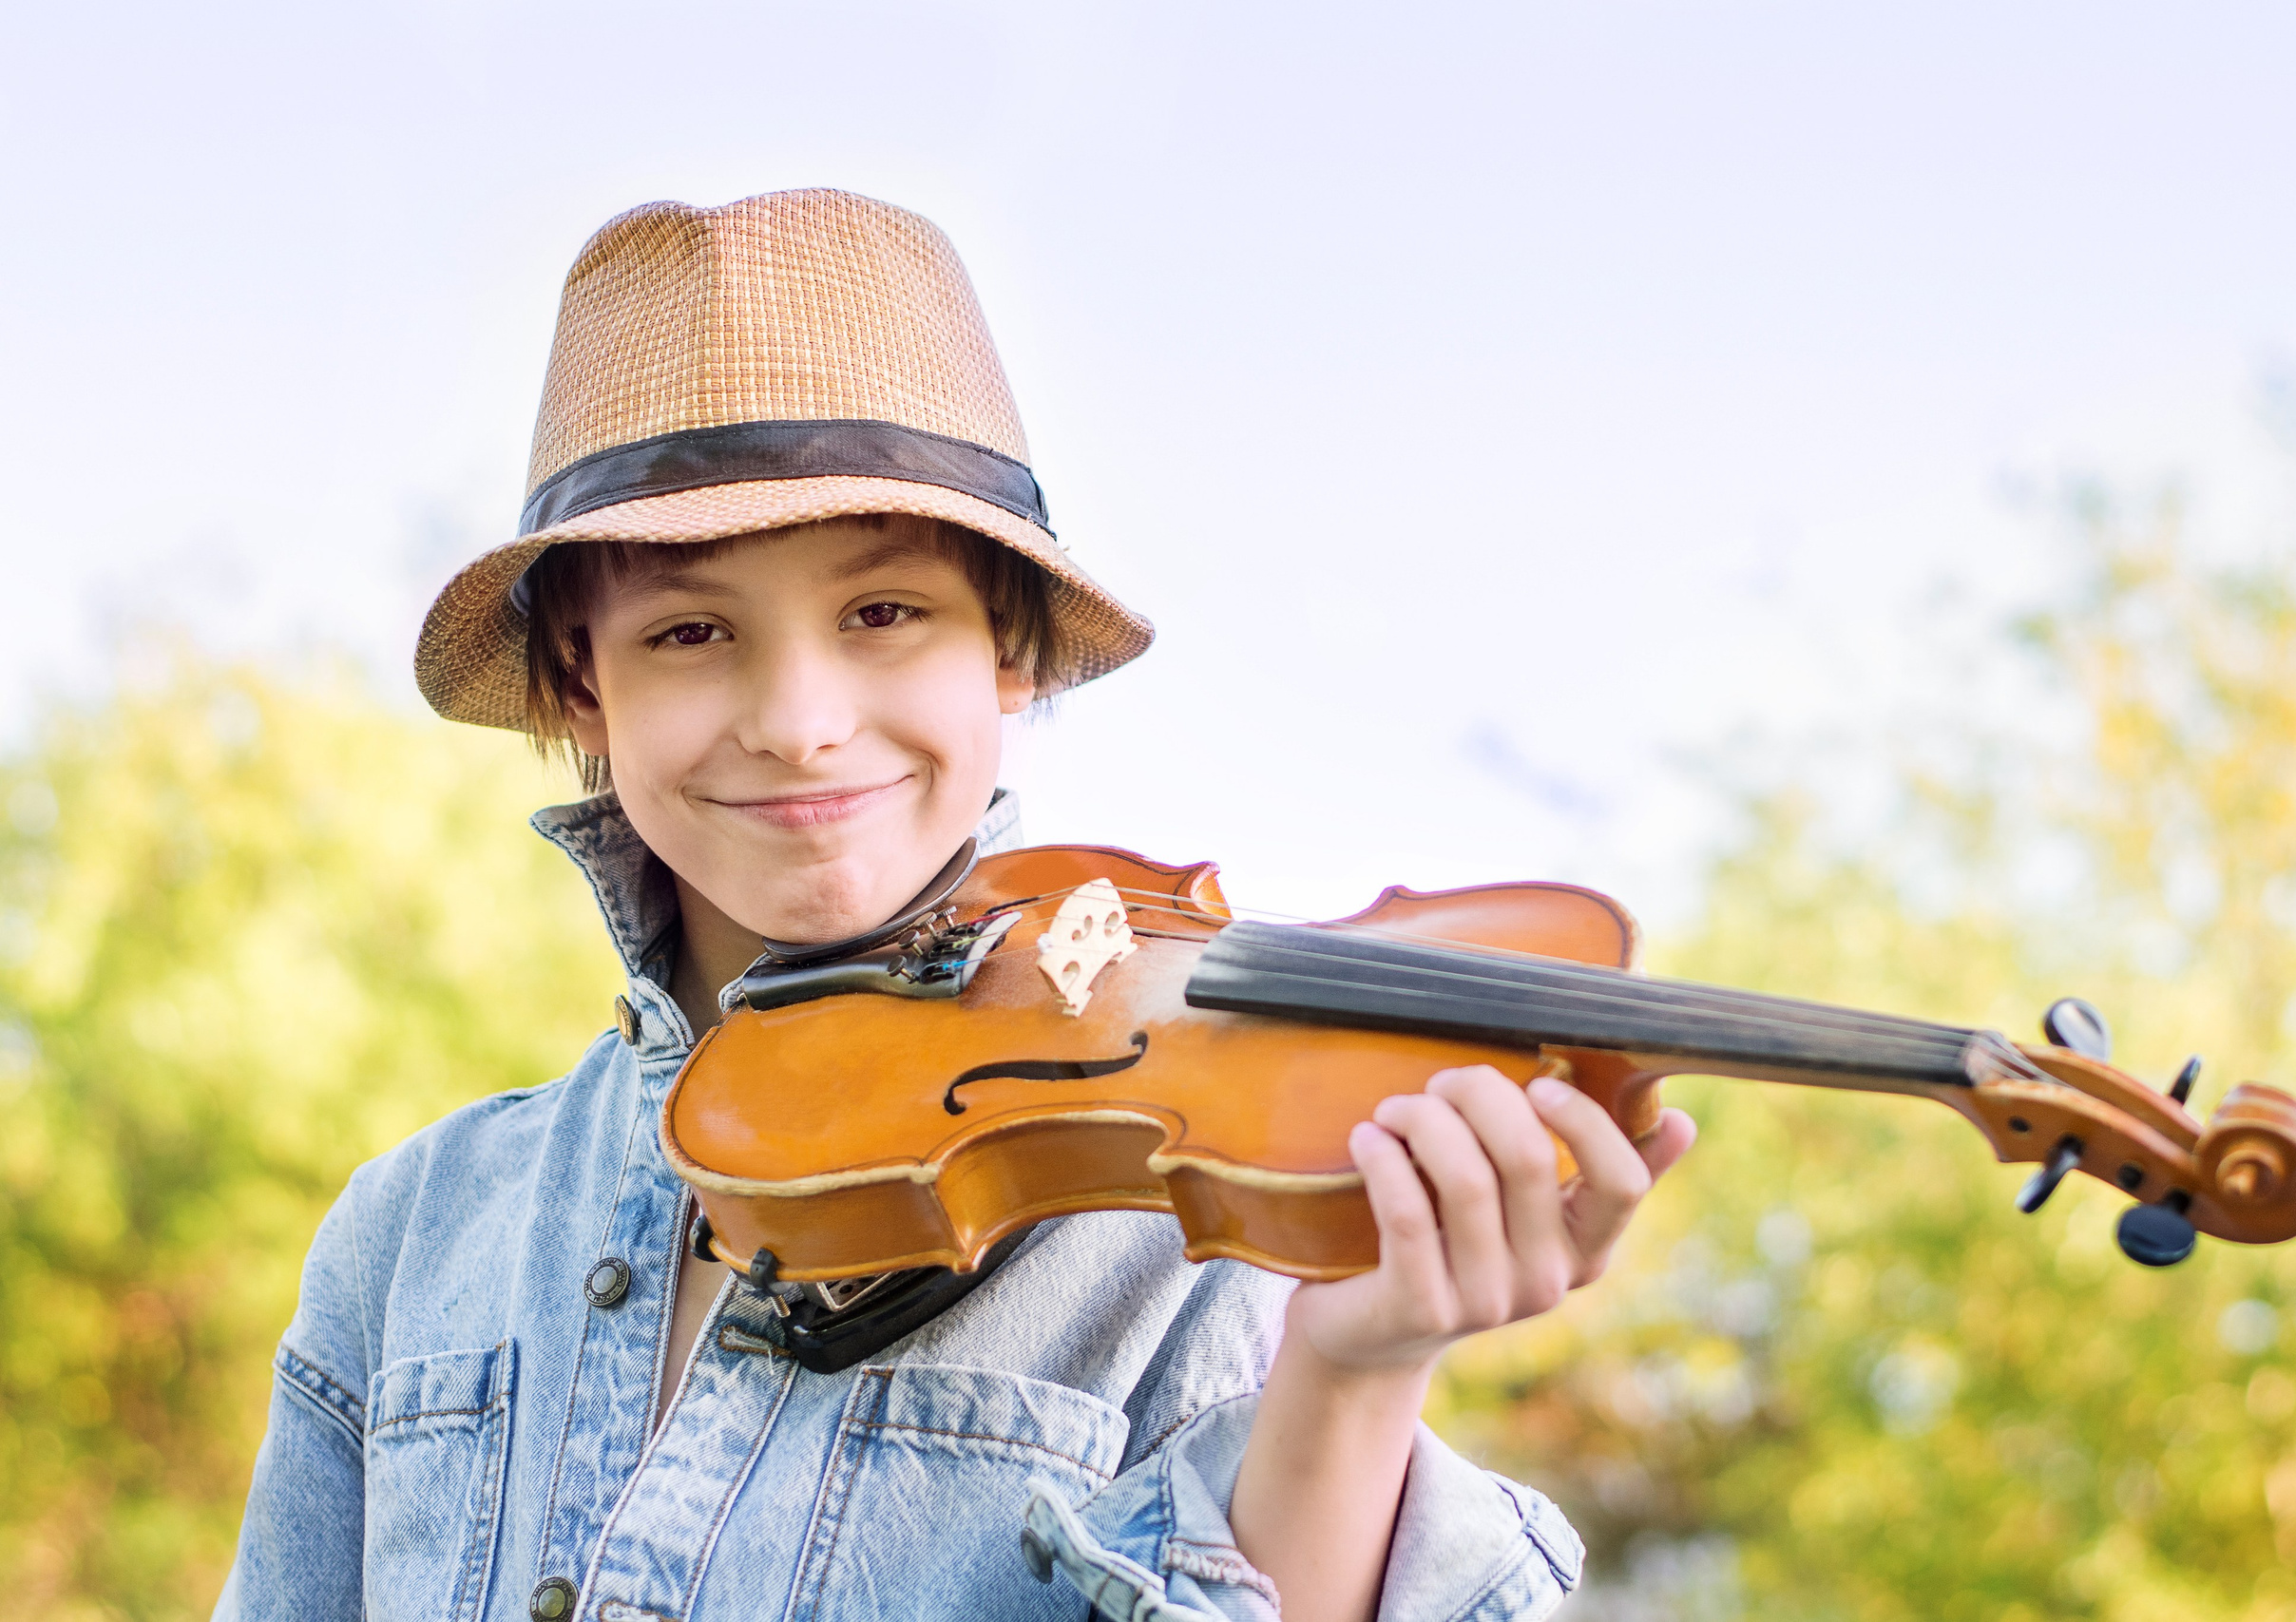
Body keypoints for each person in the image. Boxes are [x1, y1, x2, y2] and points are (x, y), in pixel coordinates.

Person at [215, 188, 1695, 1622]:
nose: (799, 721)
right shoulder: (414, 1231)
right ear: (585, 686)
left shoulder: (1194, 1229)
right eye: (688, 629)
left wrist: (1357, 1372)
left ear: (1010, 647)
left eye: (881, 612)